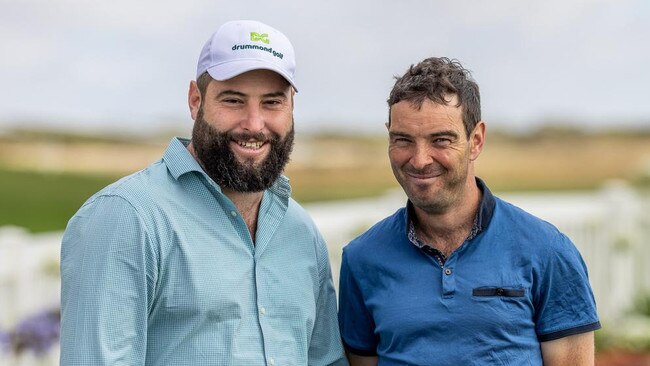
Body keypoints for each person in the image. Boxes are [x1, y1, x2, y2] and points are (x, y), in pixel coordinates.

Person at [60, 20, 347, 366]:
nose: (255, 124)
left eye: (272, 102)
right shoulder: (127, 217)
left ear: (291, 108)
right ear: (195, 101)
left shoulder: (301, 232)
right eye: (234, 100)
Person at [337, 57, 601, 365]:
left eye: (441, 140)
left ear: (475, 140)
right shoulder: (362, 259)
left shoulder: (547, 250)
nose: (420, 160)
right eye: (403, 140)